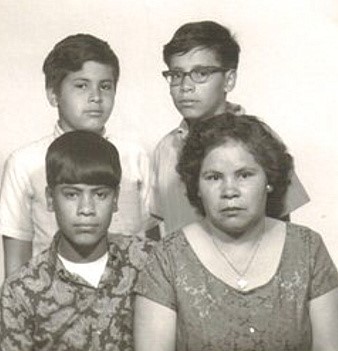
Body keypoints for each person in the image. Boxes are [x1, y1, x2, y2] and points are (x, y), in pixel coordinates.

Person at [134, 114, 338, 351]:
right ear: (197, 187)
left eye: (244, 175)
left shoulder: (307, 249)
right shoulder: (167, 259)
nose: (229, 190)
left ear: (269, 179)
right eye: (213, 177)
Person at [0, 33, 155, 276]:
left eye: (105, 86)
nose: (96, 97)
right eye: (81, 86)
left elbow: (152, 246)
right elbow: (16, 264)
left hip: (130, 297)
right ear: (53, 94)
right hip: (52, 301)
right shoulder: (24, 163)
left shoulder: (134, 156)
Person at [150, 20, 309, 234]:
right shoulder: (165, 149)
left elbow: (282, 227)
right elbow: (158, 226)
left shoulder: (261, 139)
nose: (185, 86)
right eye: (176, 75)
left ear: (229, 80)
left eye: (201, 73)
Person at [0, 131, 153, 350]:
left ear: (116, 199)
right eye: (72, 195)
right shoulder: (21, 290)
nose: (86, 210)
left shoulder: (148, 262)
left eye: (100, 195)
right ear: (51, 199)